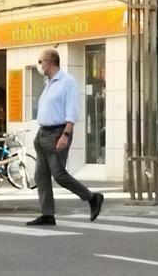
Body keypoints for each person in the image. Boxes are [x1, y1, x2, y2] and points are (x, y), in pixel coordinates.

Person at [26, 48, 103, 226]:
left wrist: (66, 134)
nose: (39, 65)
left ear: (51, 62)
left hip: (57, 132)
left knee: (59, 174)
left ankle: (92, 198)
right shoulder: (49, 82)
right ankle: (47, 214)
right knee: (41, 176)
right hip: (43, 132)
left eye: (41, 61)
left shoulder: (67, 82)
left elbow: (71, 110)